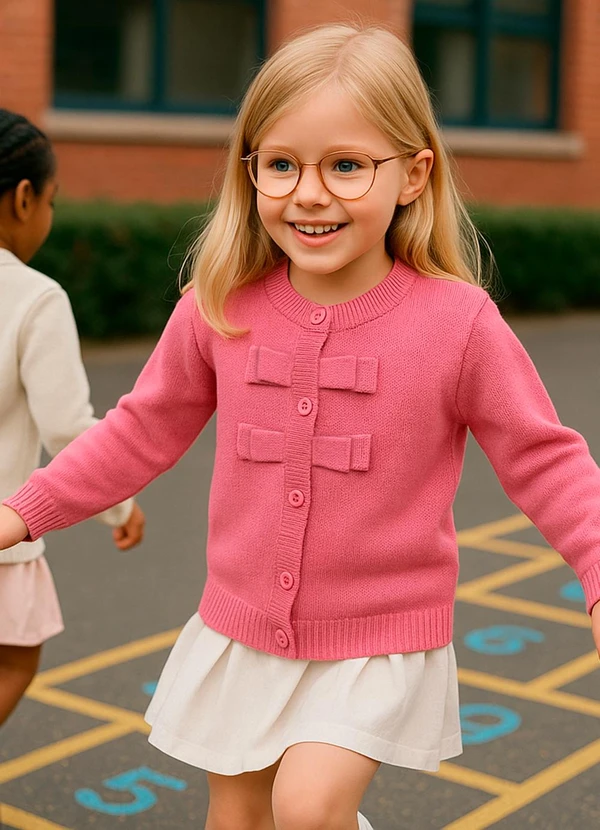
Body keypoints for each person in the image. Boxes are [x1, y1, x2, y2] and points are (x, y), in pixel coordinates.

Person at [0, 24, 598, 830]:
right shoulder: (221, 303)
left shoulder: (458, 323)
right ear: (250, 172)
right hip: (244, 627)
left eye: (347, 166)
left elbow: (546, 460)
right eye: (281, 165)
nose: (308, 193)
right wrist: (23, 510)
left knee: (309, 807)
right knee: (239, 817)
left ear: (414, 174)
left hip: (376, 639)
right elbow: (139, 428)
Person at [0, 109, 146, 728]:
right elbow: (67, 428)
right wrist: (121, 502)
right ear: (25, 197)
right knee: (13, 659)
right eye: (53, 200)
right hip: (5, 532)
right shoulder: (34, 296)